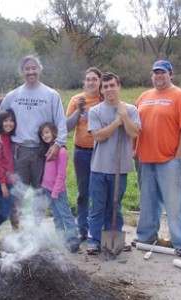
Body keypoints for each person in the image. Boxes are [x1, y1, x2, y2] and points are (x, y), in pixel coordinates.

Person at [135, 59, 181, 257]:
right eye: (156, 73)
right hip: (145, 159)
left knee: (176, 203)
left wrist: (179, 155)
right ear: (152, 76)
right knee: (147, 201)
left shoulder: (180, 96)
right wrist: (133, 150)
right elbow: (134, 124)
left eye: (163, 72)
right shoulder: (144, 97)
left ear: (171, 75)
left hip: (171, 160)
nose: (159, 76)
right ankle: (146, 237)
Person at [0, 54, 68, 229]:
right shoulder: (13, 95)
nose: (31, 71)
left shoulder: (51, 95)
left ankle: (36, 227)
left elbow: (60, 122)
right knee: (18, 191)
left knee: (40, 191)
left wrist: (58, 144)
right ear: (22, 72)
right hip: (19, 150)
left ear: (39, 69)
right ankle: (16, 226)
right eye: (27, 68)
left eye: (34, 67)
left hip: (43, 151)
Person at [86, 72, 140, 255]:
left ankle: (114, 236)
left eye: (112, 85)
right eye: (105, 86)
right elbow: (98, 136)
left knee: (115, 206)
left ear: (119, 87)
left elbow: (134, 133)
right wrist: (117, 122)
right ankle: (94, 240)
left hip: (120, 169)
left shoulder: (131, 110)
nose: (109, 89)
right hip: (99, 168)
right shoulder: (95, 111)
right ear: (101, 89)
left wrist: (124, 117)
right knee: (98, 206)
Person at [65, 67, 103, 242]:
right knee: (83, 192)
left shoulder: (104, 98)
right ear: (84, 82)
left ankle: (98, 228)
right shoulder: (77, 99)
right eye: (88, 79)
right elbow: (67, 127)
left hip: (101, 151)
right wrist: (78, 111)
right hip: (81, 151)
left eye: (94, 79)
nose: (91, 82)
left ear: (100, 81)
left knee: (100, 191)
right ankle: (82, 229)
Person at [39, 122, 80, 253]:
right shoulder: (47, 149)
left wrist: (56, 191)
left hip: (57, 191)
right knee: (56, 215)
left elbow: (61, 175)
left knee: (65, 215)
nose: (44, 136)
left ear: (54, 133)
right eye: (42, 134)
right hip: (47, 188)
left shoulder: (61, 152)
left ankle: (73, 240)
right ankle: (61, 239)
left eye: (47, 132)